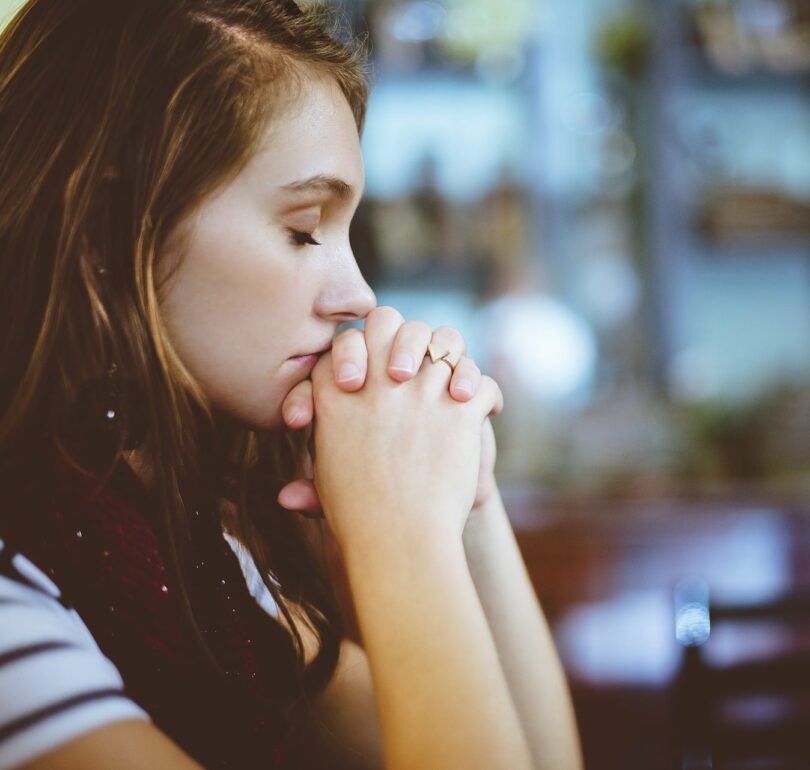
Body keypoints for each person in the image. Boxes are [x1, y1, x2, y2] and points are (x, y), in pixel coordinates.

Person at [0, 1, 582, 768]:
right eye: (305, 228)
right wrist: (400, 536)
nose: (362, 297)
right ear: (109, 227)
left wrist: (463, 494)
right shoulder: (19, 597)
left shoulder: (191, 549)